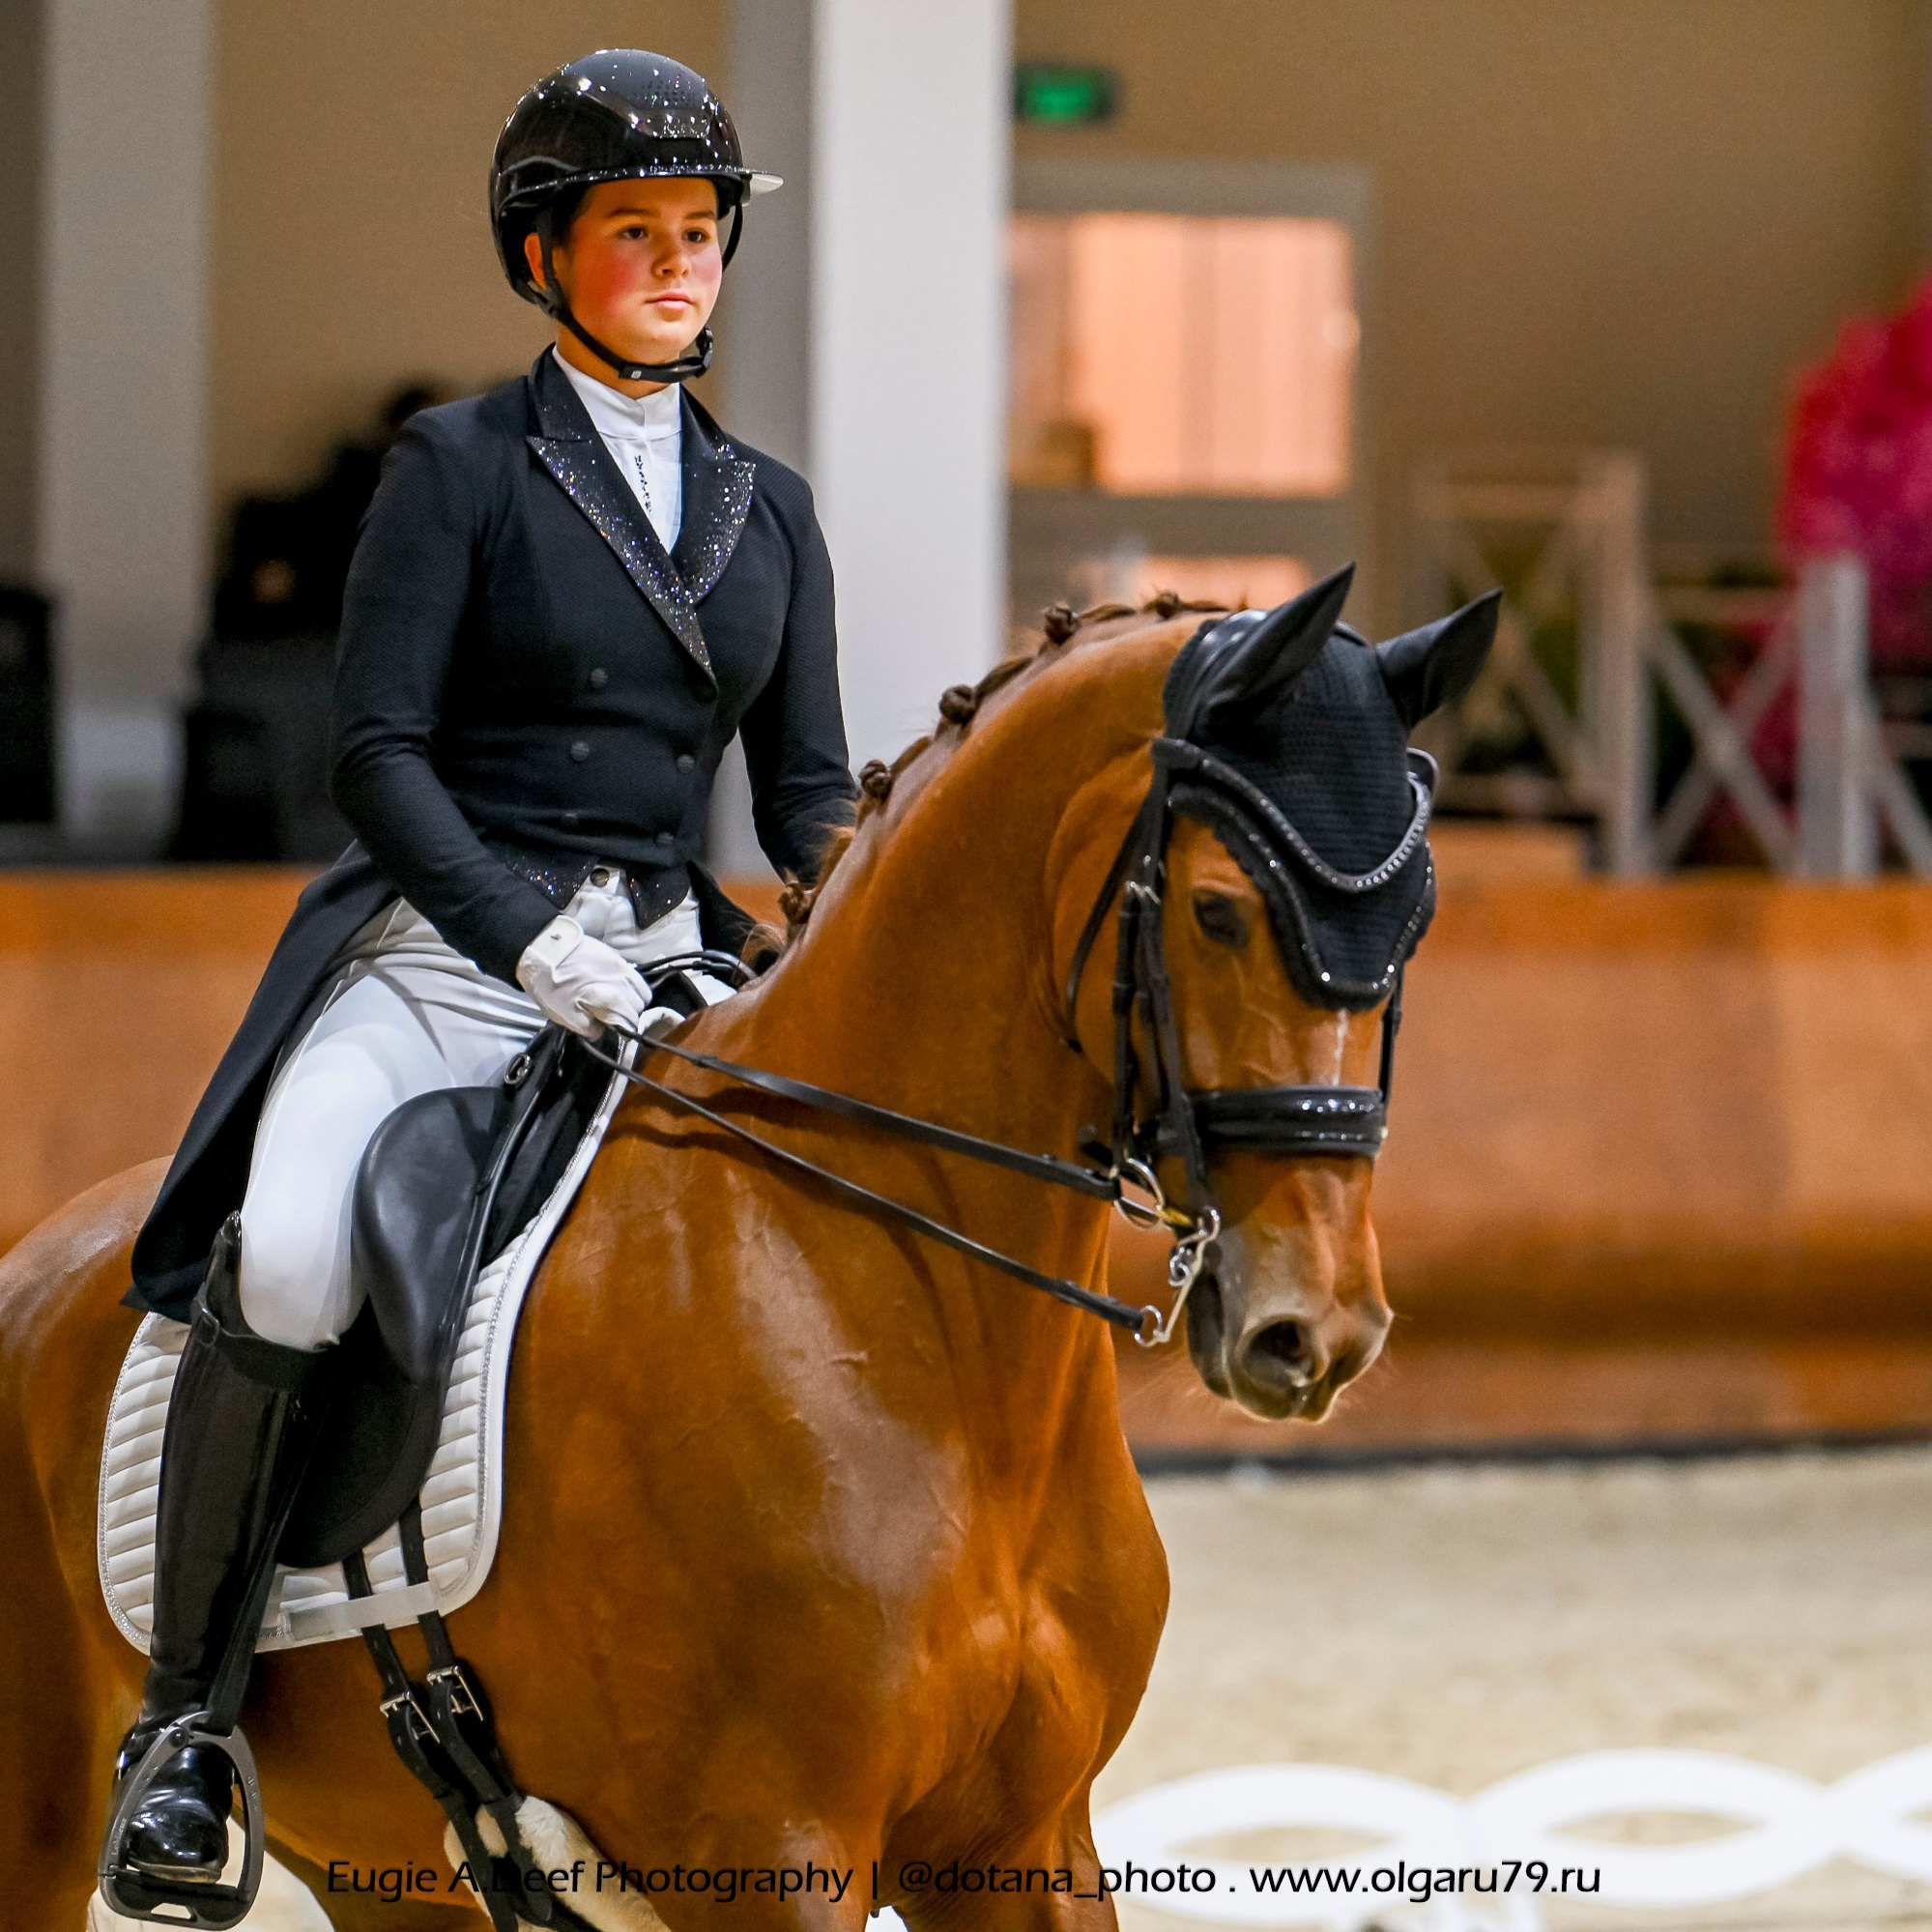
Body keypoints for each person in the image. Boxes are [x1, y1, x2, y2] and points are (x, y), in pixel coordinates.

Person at [105, 48, 856, 1889]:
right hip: (447, 956)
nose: (677, 264)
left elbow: (807, 792)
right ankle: (187, 1729)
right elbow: (377, 756)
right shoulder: (459, 467)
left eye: (701, 232)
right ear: (544, 257)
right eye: (634, 232)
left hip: (672, 965)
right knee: (293, 1251)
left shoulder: (771, 506)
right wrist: (529, 939)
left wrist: (847, 920)